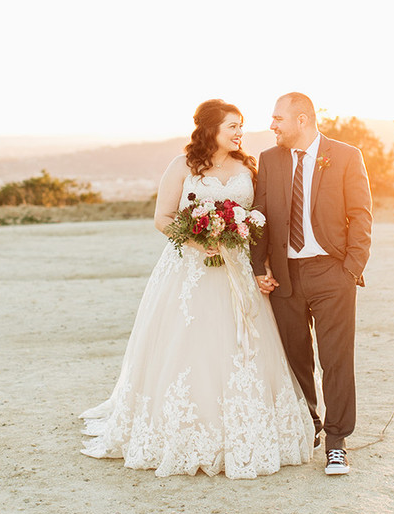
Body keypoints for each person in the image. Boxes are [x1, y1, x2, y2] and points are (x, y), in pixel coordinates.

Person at [80, 99, 314, 478]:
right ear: (210, 130)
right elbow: (163, 218)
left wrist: (260, 262)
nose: (240, 133)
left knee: (241, 347)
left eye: (241, 126)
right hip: (189, 270)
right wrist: (197, 241)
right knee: (190, 346)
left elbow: (262, 221)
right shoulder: (183, 166)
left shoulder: (249, 168)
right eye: (232, 127)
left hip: (236, 269)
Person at [251, 93, 372, 475]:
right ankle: (308, 428)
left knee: (336, 359)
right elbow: (260, 215)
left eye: (277, 119)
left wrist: (350, 269)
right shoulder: (269, 160)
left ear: (302, 120)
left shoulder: (346, 155)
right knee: (295, 358)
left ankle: (337, 442)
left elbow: (361, 216)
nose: (272, 126)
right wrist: (259, 267)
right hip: (285, 274)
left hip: (332, 273)